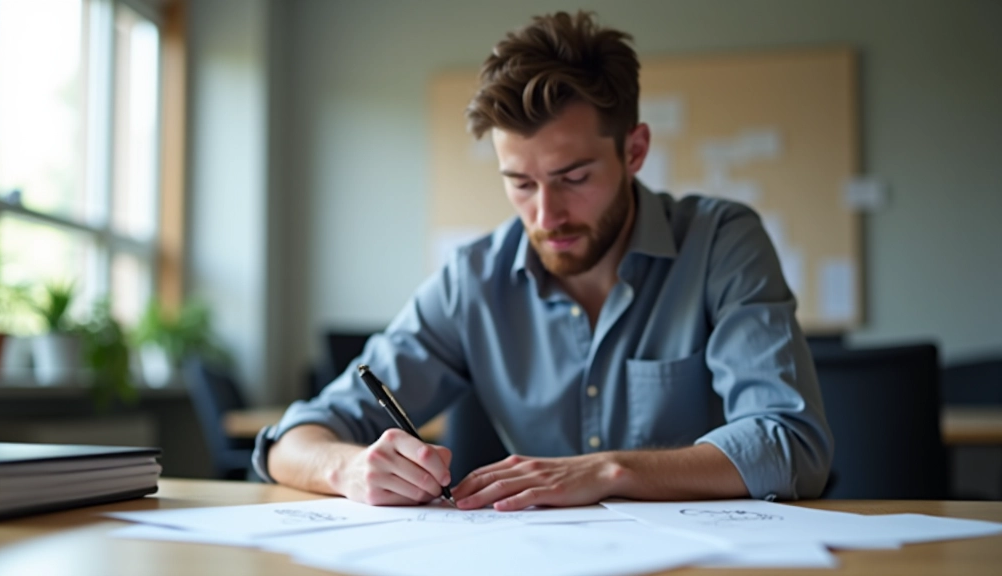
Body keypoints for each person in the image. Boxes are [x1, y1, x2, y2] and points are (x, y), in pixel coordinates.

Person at [253, 11, 832, 511]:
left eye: (573, 177)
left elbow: (792, 444)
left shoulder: (721, 242)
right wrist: (349, 469)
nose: (547, 215)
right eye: (521, 183)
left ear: (634, 150)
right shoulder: (472, 280)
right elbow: (290, 441)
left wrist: (607, 471)